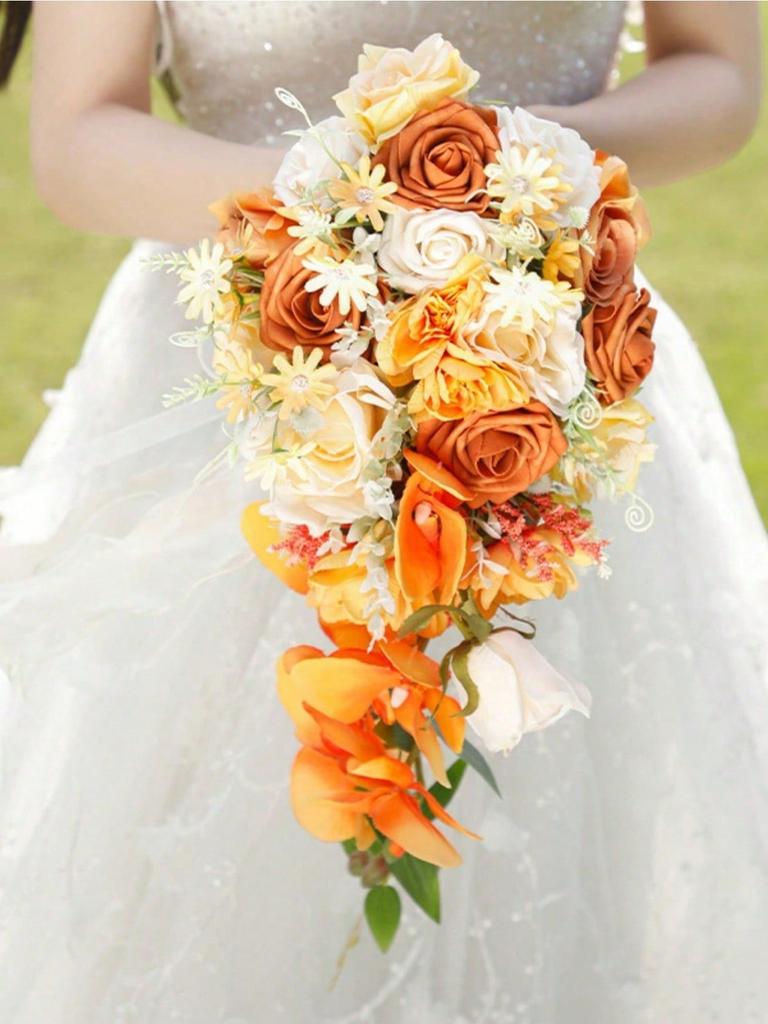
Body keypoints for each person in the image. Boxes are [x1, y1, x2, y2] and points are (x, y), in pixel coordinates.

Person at [0, 3, 766, 1021]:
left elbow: (718, 75)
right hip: (250, 380)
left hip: (552, 362)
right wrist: (353, 205)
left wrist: (521, 166)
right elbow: (77, 140)